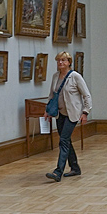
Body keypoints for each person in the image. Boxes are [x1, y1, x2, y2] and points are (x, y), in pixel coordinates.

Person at [44, 52, 92, 182]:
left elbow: (86, 95)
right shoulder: (55, 76)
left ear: (69, 62)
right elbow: (52, 94)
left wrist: (85, 112)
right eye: (58, 60)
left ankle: (58, 171)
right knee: (66, 141)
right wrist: (47, 110)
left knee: (63, 140)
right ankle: (75, 167)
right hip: (59, 113)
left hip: (73, 114)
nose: (60, 62)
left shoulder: (75, 76)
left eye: (63, 60)